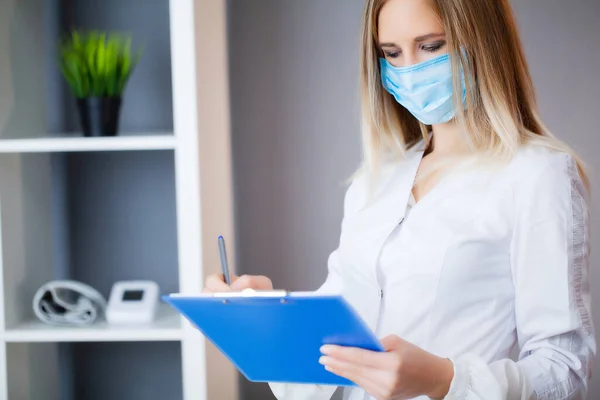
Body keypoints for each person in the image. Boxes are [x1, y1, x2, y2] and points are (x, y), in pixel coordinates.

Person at [204, 0, 597, 398]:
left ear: (483, 42)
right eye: (391, 53)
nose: (409, 68)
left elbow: (565, 370)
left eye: (431, 46)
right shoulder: (374, 181)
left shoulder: (537, 176)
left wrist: (444, 380)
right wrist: (270, 317)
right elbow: (334, 346)